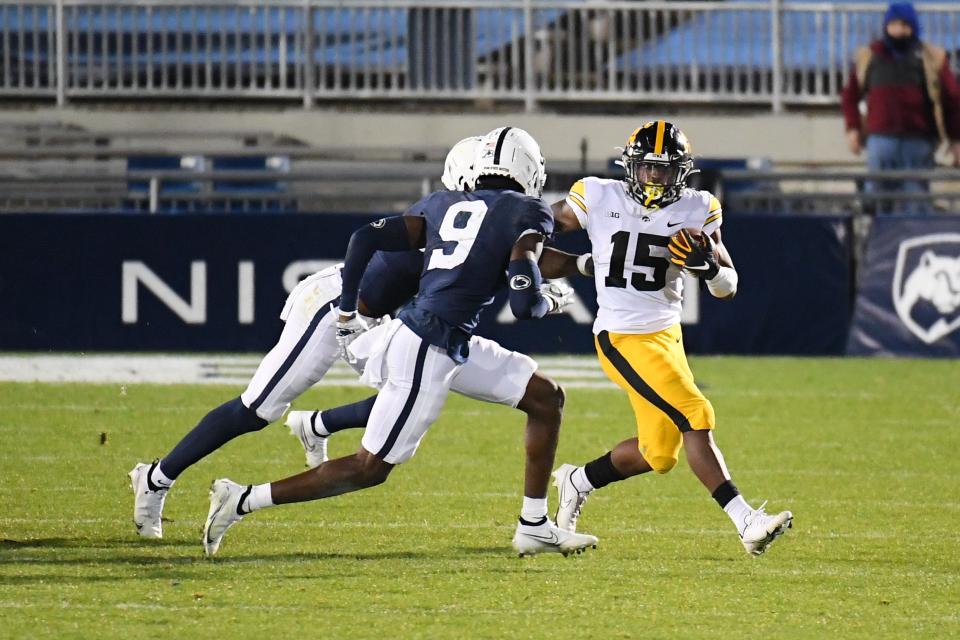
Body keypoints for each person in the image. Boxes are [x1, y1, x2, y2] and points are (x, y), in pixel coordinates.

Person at [128, 135, 586, 549]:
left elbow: (525, 256)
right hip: (337, 305)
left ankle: (319, 426)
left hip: (398, 317)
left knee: (430, 386)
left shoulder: (451, 209)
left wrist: (584, 264)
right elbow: (519, 258)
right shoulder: (470, 214)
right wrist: (348, 310)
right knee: (258, 409)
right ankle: (156, 477)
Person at [549, 121, 793, 556]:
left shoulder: (699, 207)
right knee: (695, 412)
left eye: (665, 170)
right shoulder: (598, 194)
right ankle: (746, 520)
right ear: (631, 167)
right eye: (647, 169)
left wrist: (707, 267)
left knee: (659, 454)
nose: (656, 178)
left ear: (682, 172)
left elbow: (728, 286)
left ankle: (576, 479)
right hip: (621, 336)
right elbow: (544, 224)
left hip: (666, 335)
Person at [841, 2, 960, 211]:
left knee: (916, 202)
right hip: (880, 140)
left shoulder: (931, 57)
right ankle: (878, 242)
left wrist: (956, 140)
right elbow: (850, 95)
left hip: (918, 142)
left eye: (905, 24)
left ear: (913, 27)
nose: (899, 30)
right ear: (886, 26)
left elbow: (952, 99)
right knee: (877, 200)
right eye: (894, 24)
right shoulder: (868, 56)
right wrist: (853, 129)